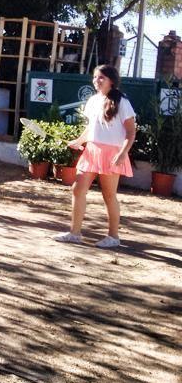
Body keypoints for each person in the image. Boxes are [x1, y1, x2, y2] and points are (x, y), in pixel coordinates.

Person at [54, 65, 135, 248]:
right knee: (78, 189)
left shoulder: (122, 102)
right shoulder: (92, 101)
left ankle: (113, 237)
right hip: (91, 151)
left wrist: (122, 154)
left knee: (108, 195)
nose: (96, 81)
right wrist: (79, 141)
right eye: (95, 77)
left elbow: (131, 132)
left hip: (113, 153)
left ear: (111, 81)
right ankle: (74, 233)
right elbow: (91, 127)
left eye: (101, 78)